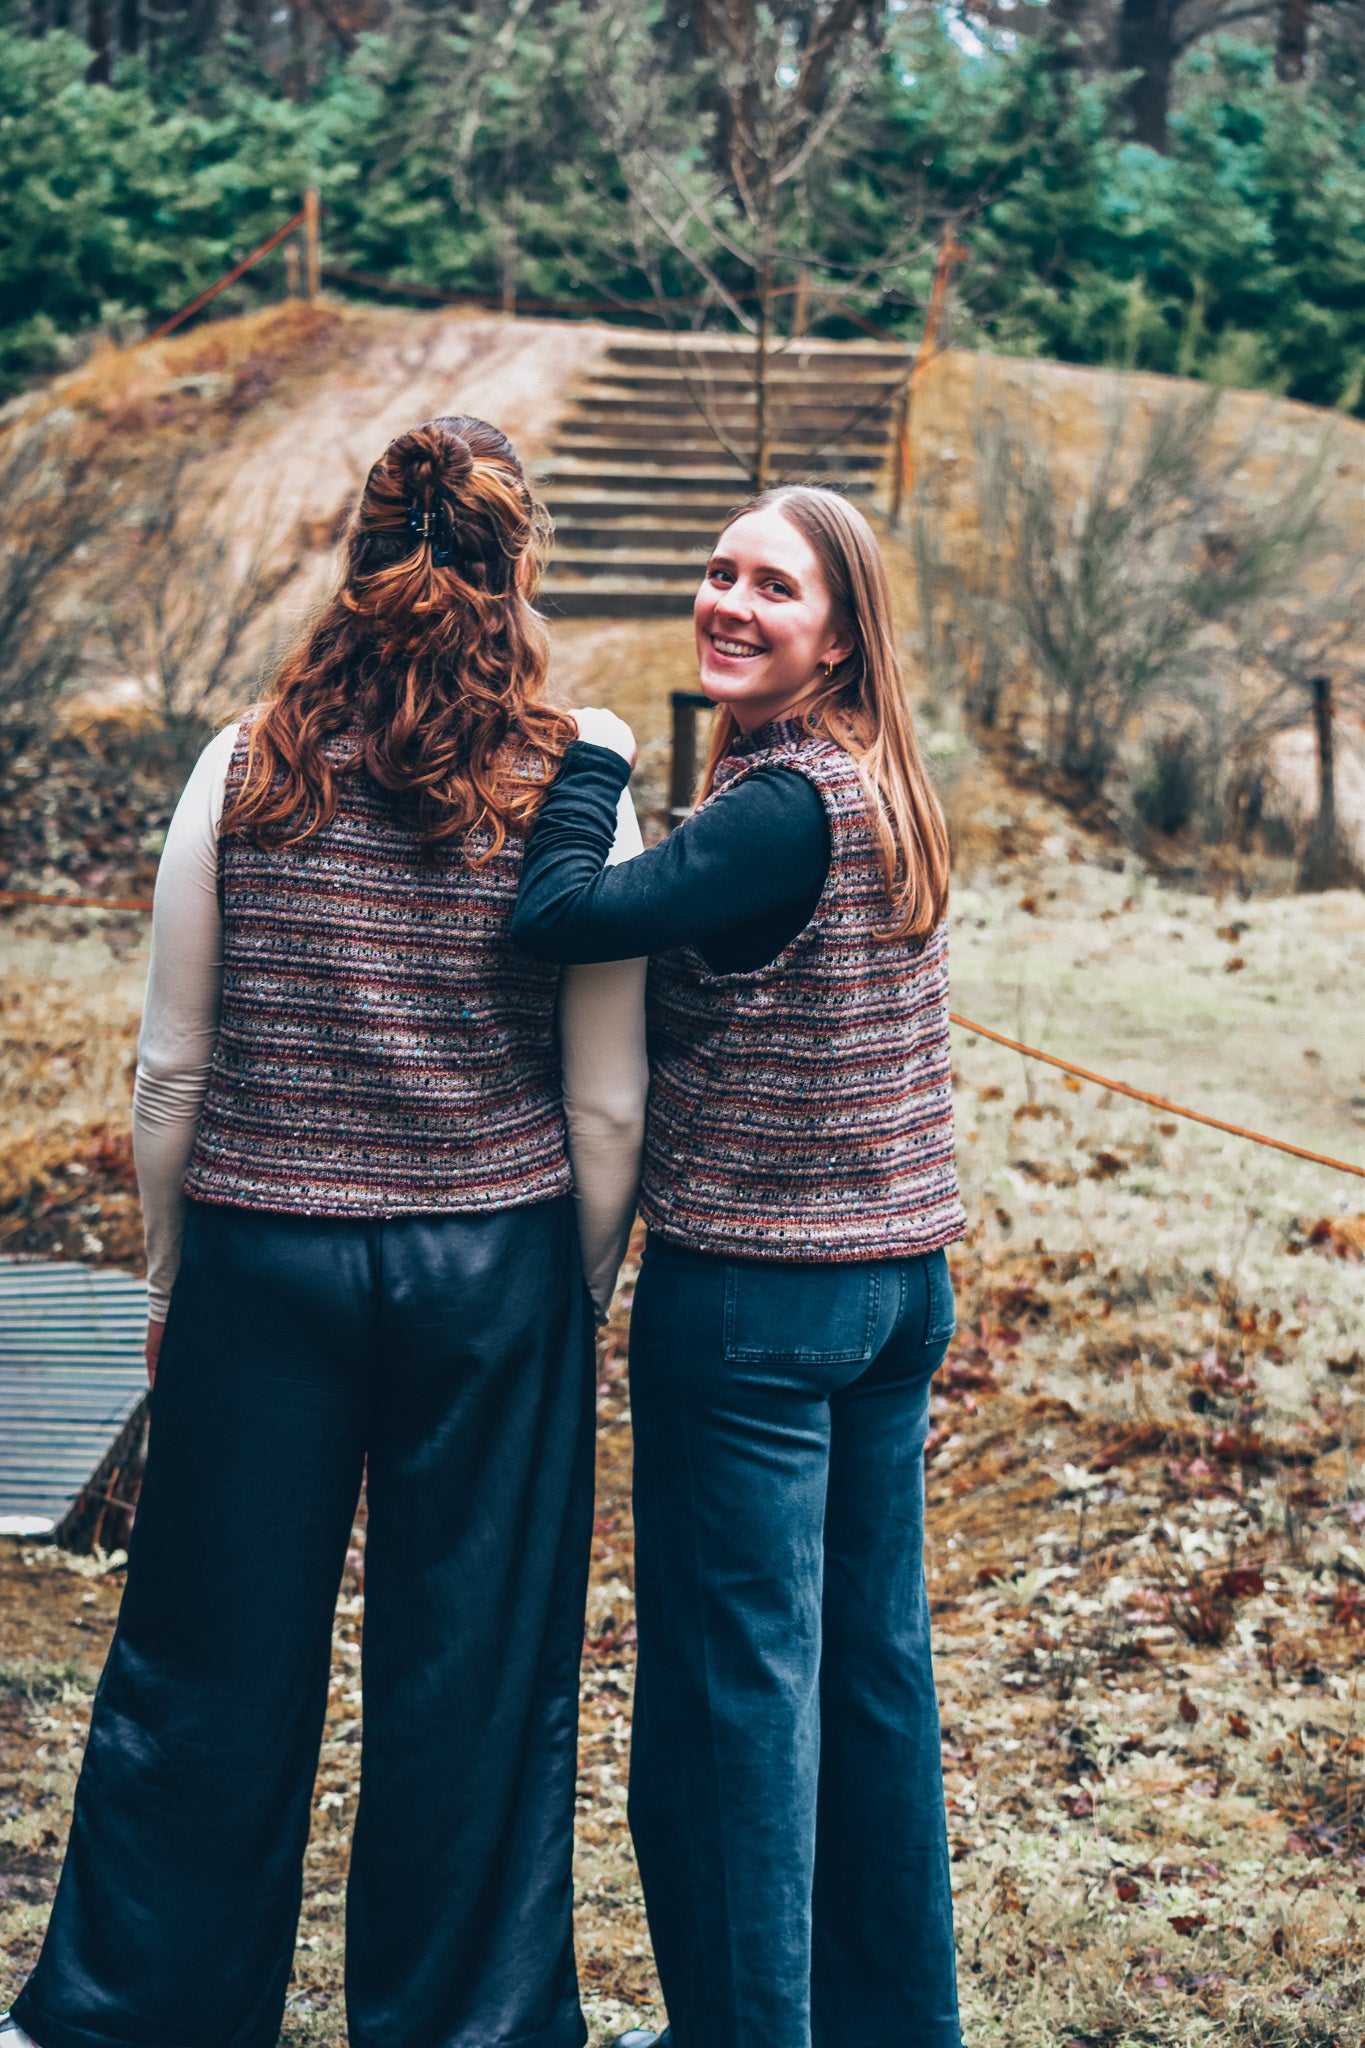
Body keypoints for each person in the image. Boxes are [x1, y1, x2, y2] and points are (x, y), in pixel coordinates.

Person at [2, 416, 648, 2048]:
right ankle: (469, 2027)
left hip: (263, 1261)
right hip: (487, 1265)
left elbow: (171, 1070)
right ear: (522, 569)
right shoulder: (570, 785)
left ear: (355, 552)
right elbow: (608, 1109)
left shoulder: (245, 762)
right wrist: (565, 1285)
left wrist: (170, 1278)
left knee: (204, 1658)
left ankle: (130, 2016)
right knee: (477, 1677)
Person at [510, 485, 966, 2048]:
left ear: (838, 634)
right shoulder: (879, 784)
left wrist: (590, 756)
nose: (727, 602)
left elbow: (560, 915)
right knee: (865, 1680)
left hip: (761, 1295)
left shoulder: (779, 809)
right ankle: (890, 2027)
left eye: (772, 586)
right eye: (715, 571)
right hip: (894, 1285)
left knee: (731, 1700)